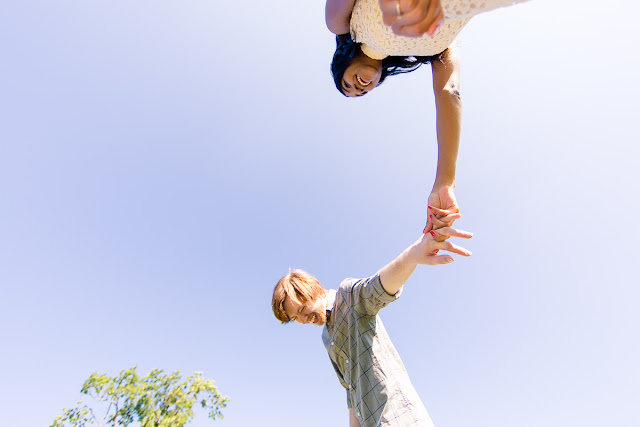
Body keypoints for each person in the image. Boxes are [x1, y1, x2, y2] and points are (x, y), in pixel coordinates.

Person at [326, 0, 528, 233]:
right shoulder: (429, 50)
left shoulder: (340, 23)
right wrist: (445, 183)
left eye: (347, 84)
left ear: (342, 61)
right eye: (360, 92)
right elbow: (449, 92)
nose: (358, 88)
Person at [271, 225, 473, 426]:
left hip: (398, 418)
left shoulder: (348, 296)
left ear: (313, 290)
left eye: (302, 310)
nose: (304, 320)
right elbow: (350, 390)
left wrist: (413, 254)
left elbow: (379, 286)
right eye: (296, 318)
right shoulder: (327, 338)